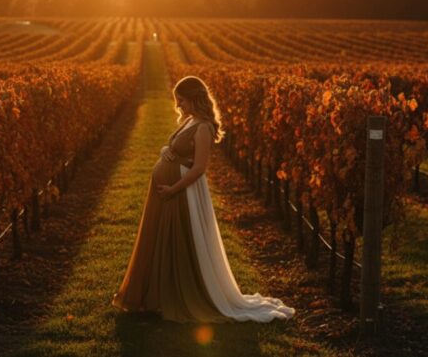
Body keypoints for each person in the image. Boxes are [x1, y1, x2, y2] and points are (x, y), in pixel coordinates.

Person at [111, 75, 295, 323]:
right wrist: (166, 151)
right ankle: (160, 296)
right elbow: (175, 148)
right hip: (168, 191)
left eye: (182, 100)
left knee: (180, 241)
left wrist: (173, 189)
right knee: (163, 239)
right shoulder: (190, 121)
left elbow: (199, 168)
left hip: (182, 192)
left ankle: (178, 295)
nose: (178, 105)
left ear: (194, 99)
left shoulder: (204, 128)